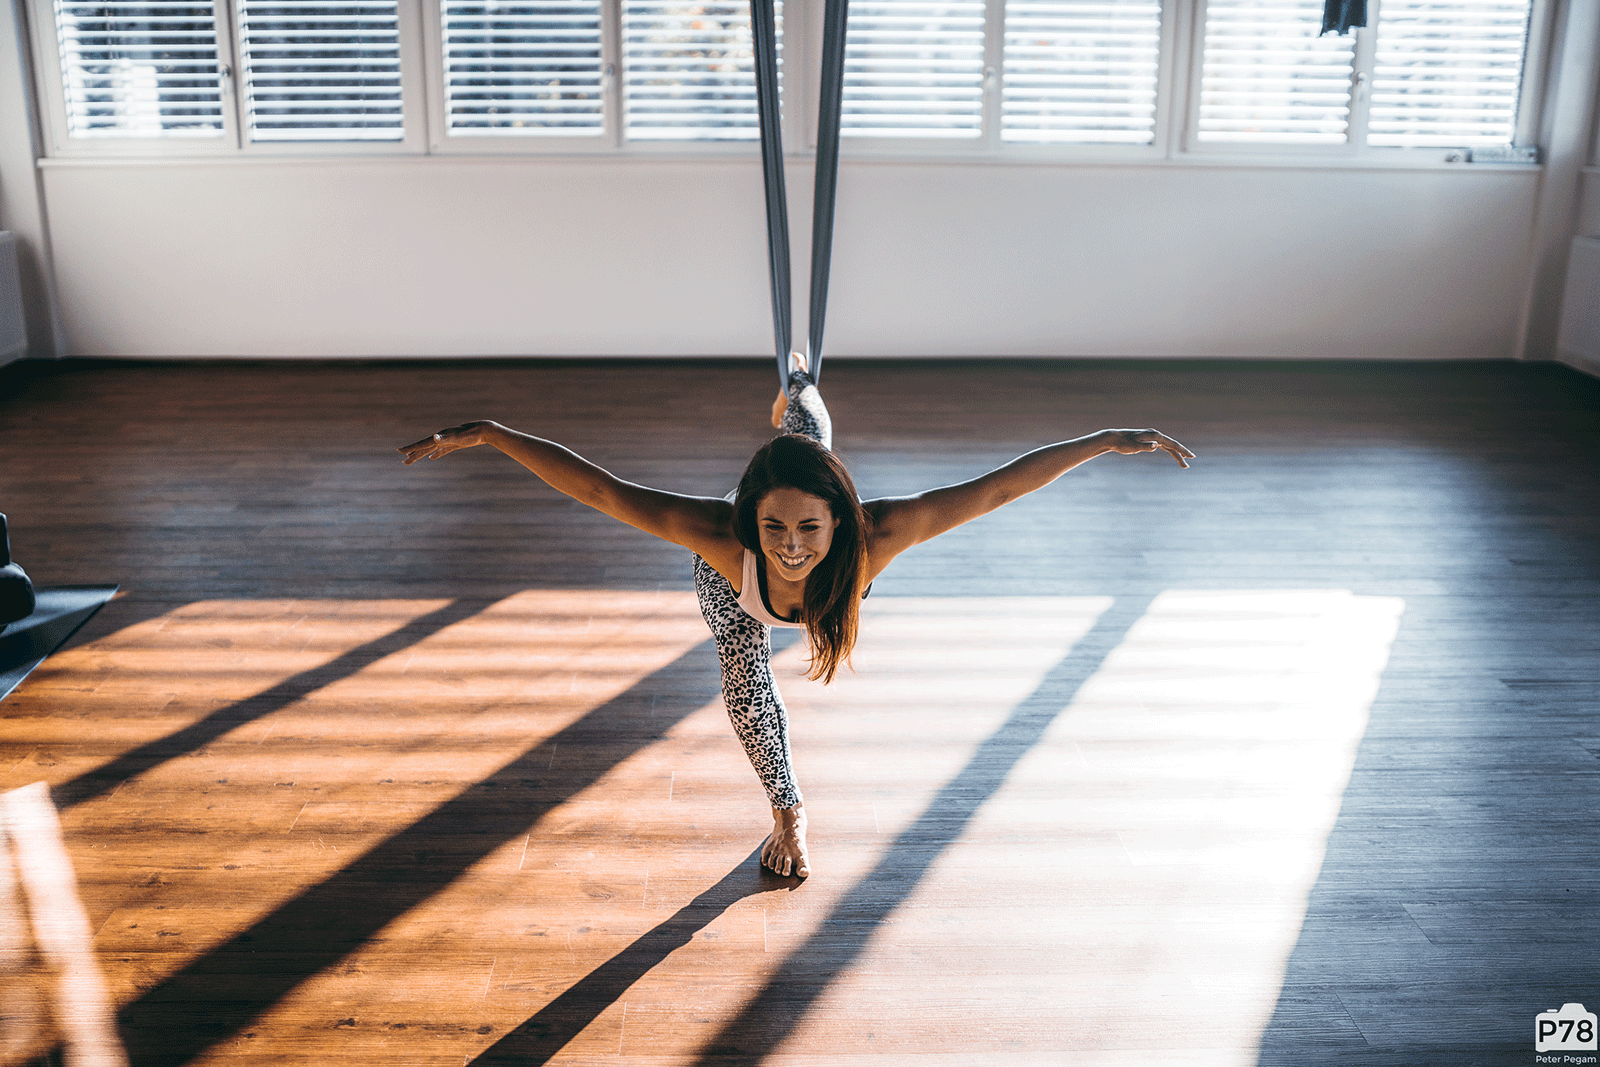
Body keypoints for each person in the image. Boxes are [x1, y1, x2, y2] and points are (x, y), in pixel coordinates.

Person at [399, 357, 1193, 879]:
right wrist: (497, 435)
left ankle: (801, 380)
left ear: (841, 523)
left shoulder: (875, 532)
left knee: (806, 430)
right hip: (732, 599)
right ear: (751, 520)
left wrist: (1104, 440)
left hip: (822, 504)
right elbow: (602, 491)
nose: (789, 547)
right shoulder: (725, 538)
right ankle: (789, 811)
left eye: (809, 528)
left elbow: (995, 489)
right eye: (774, 527)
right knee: (746, 691)